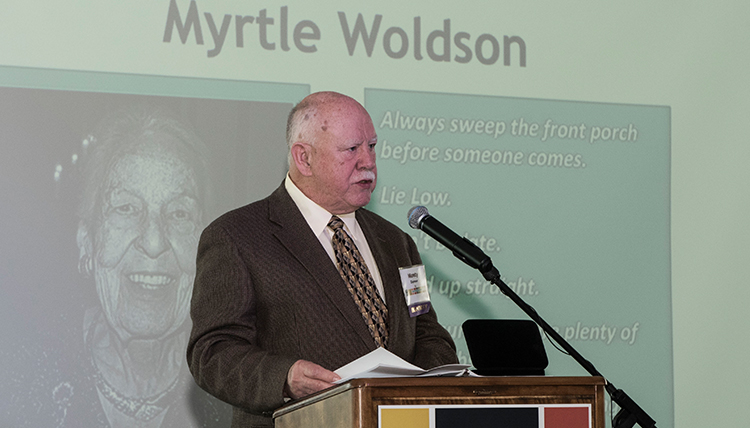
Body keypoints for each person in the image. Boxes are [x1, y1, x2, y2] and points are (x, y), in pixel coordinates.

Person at [187, 91, 458, 427]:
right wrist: (284, 378)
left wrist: (425, 382)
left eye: (371, 146)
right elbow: (212, 353)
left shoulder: (395, 241)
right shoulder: (237, 236)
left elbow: (428, 333)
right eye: (351, 149)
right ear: (304, 158)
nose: (368, 162)